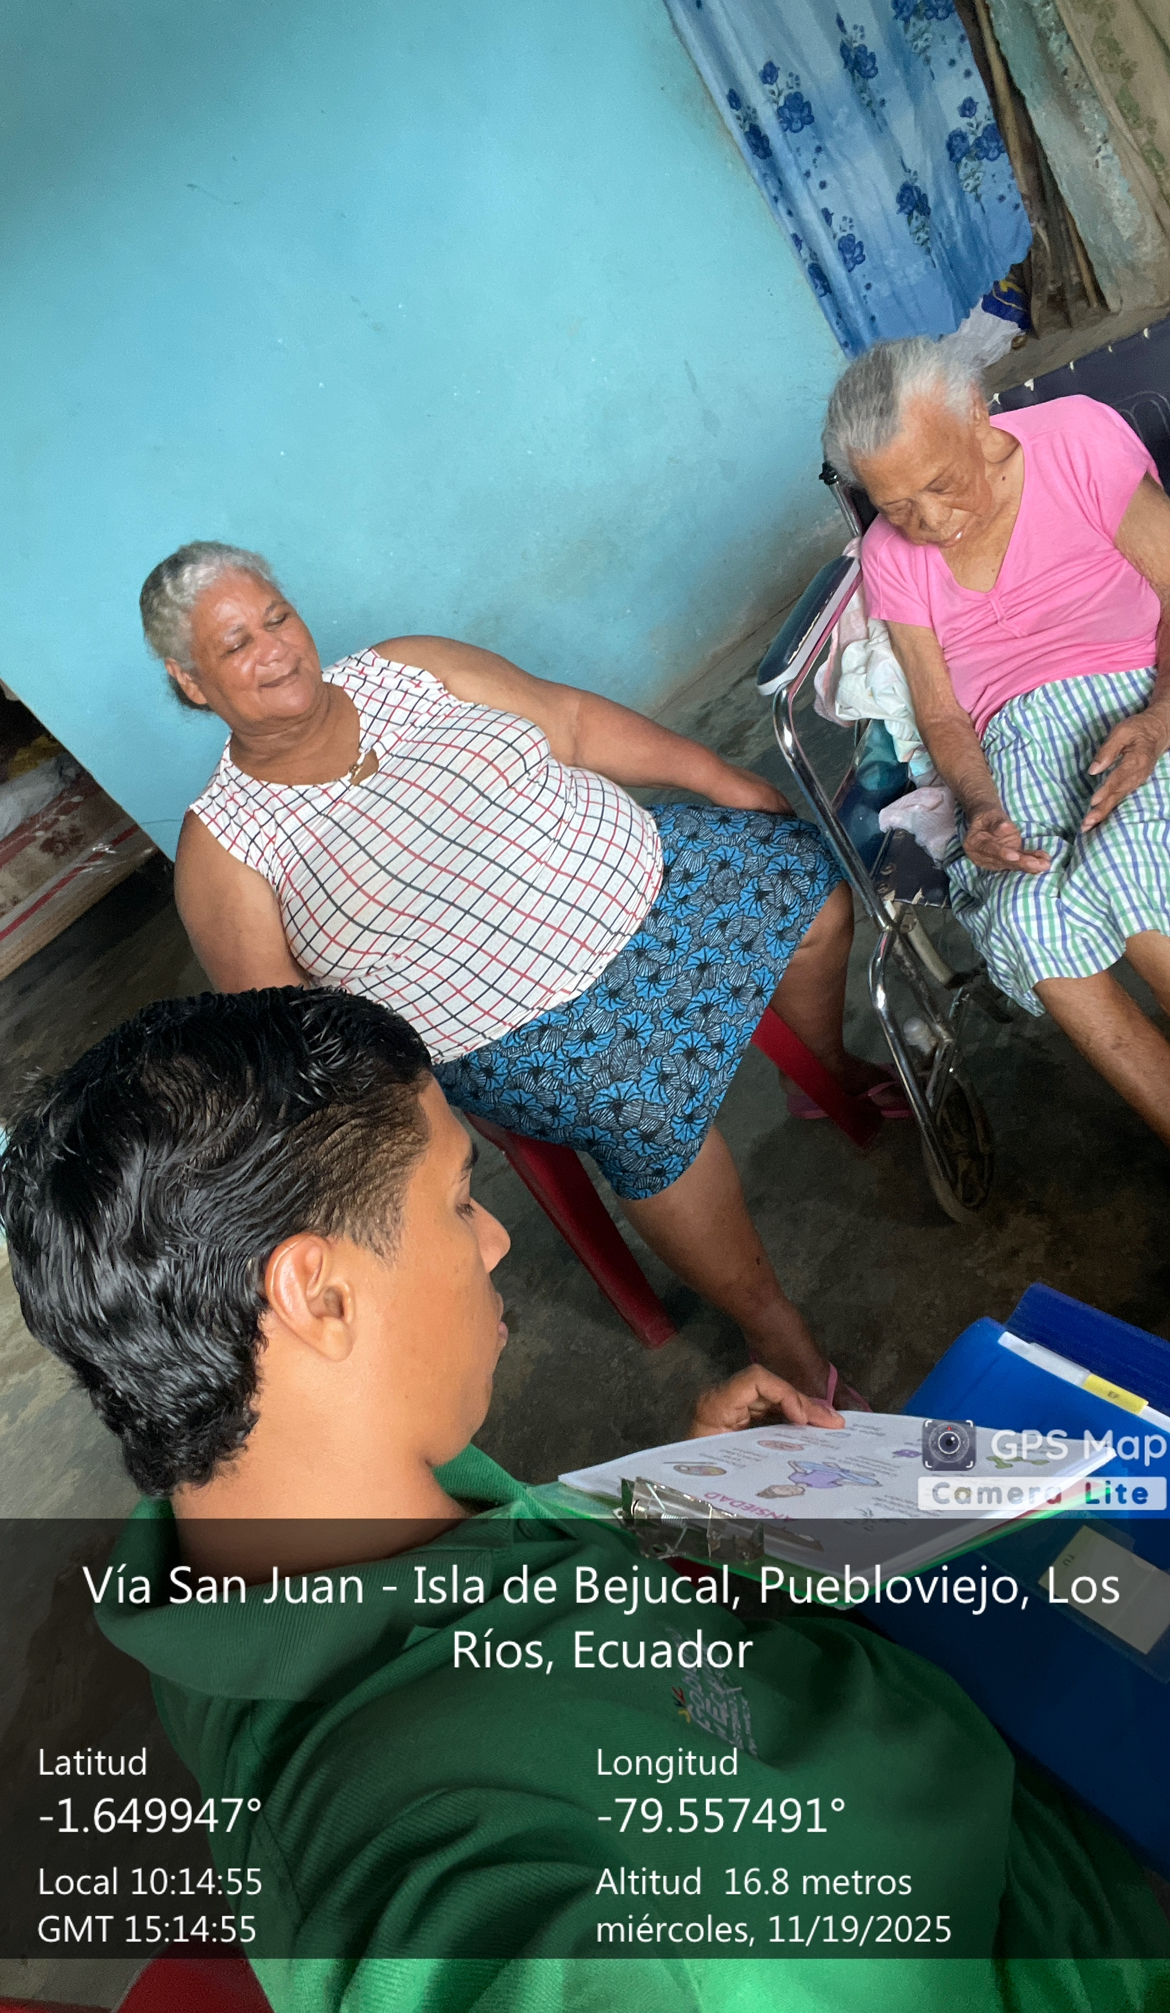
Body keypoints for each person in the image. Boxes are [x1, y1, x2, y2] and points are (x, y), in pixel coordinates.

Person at [0, 987, 1165, 2012]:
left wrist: (672, 1511)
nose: (496, 1242)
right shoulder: (448, 1872)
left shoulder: (247, 1536)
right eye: (459, 1200)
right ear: (319, 1295)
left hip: (889, 1728)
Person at [139, 541, 909, 1402]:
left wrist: (718, 776)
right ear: (191, 682)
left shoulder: (409, 669)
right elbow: (296, 1035)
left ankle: (825, 1072)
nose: (275, 649)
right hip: (523, 1028)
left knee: (806, 878)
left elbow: (568, 721)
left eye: (276, 617)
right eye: (236, 643)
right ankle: (774, 1329)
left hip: (652, 875)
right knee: (643, 1106)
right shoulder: (226, 849)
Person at [823, 338, 1170, 1148]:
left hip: (1138, 693)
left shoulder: (1076, 440)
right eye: (896, 505)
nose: (929, 521)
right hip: (1010, 742)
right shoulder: (890, 555)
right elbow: (942, 715)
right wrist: (979, 808)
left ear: (977, 414)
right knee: (1027, 915)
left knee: (1137, 872)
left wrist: (1160, 719)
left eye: (940, 483)